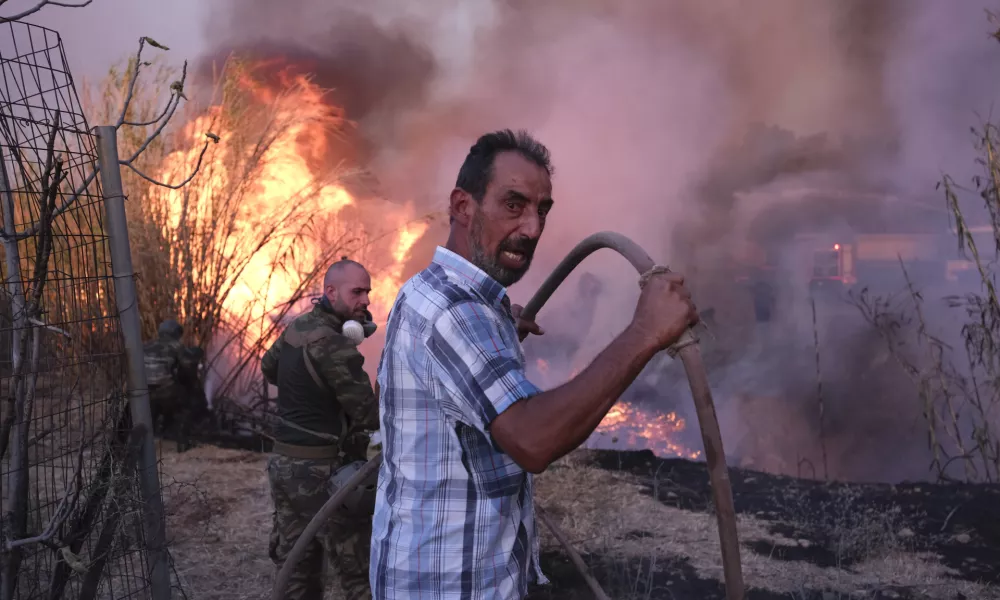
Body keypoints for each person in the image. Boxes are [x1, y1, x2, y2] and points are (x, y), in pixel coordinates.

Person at [370, 129, 699, 599]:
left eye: (542, 210)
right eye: (514, 204)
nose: (533, 228)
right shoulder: (456, 314)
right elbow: (533, 441)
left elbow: (395, 391)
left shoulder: (425, 290)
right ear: (463, 206)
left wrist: (495, 337)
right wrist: (645, 333)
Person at [261, 258, 380, 600]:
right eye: (357, 292)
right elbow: (369, 415)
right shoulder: (334, 345)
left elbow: (270, 369)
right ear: (330, 291)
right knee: (358, 574)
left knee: (297, 567)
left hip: (284, 467)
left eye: (368, 292)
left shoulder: (297, 328)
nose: (366, 300)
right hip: (325, 474)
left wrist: (311, 395)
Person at [142, 319, 205, 452]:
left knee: (151, 413)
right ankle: (183, 443)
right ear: (176, 333)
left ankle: (148, 443)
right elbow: (187, 367)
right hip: (165, 390)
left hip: (144, 391)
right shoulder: (176, 346)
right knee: (187, 405)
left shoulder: (146, 345)